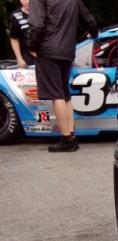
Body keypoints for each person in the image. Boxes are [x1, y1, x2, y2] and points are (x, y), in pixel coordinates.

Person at [28, 0, 98, 153]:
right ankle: (71, 135)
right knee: (65, 94)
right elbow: (90, 20)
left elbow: (37, 24)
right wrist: (94, 33)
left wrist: (32, 46)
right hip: (67, 51)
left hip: (47, 49)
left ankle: (66, 138)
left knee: (56, 94)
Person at [9, 0, 35, 68]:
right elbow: (14, 38)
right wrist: (19, 58)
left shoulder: (46, 12)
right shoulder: (15, 16)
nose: (28, 1)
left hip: (48, 57)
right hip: (28, 60)